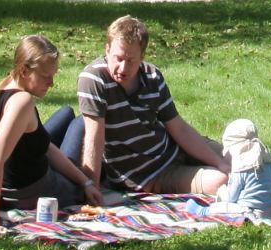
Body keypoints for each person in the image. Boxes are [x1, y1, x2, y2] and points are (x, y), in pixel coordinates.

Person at [76, 15, 229, 195]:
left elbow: (178, 127)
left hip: (171, 149)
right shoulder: (94, 79)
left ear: (142, 56)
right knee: (221, 180)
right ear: (107, 50)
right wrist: (91, 187)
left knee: (237, 157)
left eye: (131, 60)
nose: (123, 68)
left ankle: (259, 186)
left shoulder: (152, 76)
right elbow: (94, 137)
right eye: (118, 58)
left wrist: (219, 162)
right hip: (148, 175)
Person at [0, 34, 103, 234]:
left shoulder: (3, 88)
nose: (52, 83)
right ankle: (94, 177)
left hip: (19, 177)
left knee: (65, 112)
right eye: (46, 77)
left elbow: (44, 145)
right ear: (24, 70)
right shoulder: (22, 102)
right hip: (30, 192)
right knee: (81, 122)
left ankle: (83, 177)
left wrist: (85, 180)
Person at [185, 119, 271, 218]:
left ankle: (203, 211)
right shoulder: (266, 162)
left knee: (225, 207)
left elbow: (231, 198)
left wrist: (223, 193)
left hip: (252, 211)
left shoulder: (241, 169)